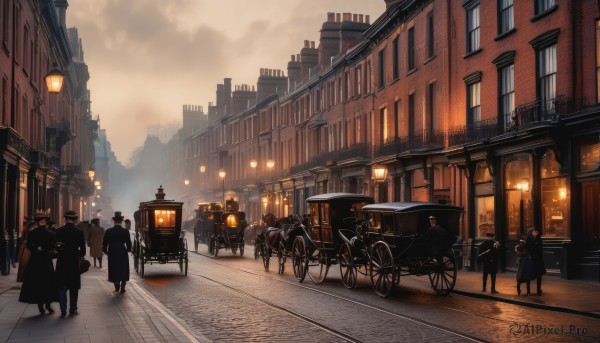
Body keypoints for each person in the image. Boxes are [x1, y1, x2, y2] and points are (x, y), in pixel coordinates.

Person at [18, 211, 57, 314]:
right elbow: (53, 247)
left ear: (37, 222)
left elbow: (29, 246)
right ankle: (48, 305)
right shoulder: (51, 233)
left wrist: (37, 248)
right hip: (46, 261)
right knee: (48, 282)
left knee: (37, 282)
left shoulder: (32, 233)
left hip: (35, 261)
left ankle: (40, 306)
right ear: (44, 222)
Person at [55, 210, 86, 317]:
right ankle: (73, 309)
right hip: (73, 261)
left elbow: (55, 247)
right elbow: (83, 250)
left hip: (62, 261)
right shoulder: (78, 231)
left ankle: (63, 310)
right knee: (73, 287)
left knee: (62, 286)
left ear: (65, 218)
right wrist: (80, 255)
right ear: (75, 219)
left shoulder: (58, 231)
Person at [103, 211, 132, 293]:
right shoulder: (125, 231)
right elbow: (128, 243)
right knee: (123, 268)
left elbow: (105, 243)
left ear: (114, 221)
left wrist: (105, 251)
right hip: (122, 250)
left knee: (114, 267)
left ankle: (116, 284)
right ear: (121, 221)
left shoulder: (108, 231)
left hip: (112, 251)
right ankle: (123, 285)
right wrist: (128, 250)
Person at [525, 227, 546, 295]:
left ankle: (538, 289)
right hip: (531, 259)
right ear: (532, 232)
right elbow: (528, 249)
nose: (536, 233)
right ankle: (528, 291)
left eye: (537, 232)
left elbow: (540, 248)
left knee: (539, 275)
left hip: (538, 259)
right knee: (529, 275)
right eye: (535, 231)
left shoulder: (539, 239)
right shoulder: (528, 239)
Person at [17, 216, 36, 283]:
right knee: (26, 262)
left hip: (24, 245)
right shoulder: (32, 227)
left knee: (23, 263)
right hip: (27, 247)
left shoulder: (26, 227)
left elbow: (22, 237)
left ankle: (22, 277)